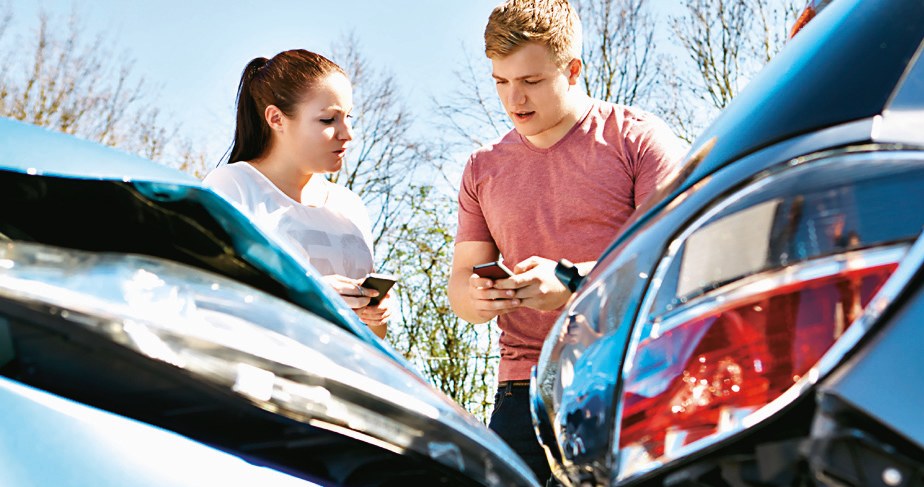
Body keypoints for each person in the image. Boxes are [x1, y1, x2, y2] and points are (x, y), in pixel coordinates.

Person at [447, 0, 687, 482]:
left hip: (628, 376)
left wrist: (575, 283)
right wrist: (479, 296)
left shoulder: (638, 141)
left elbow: (674, 260)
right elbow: (460, 291)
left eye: (531, 81)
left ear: (572, 69)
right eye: (501, 82)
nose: (514, 99)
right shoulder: (481, 169)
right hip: (521, 393)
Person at [203, 49, 392, 339]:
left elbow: (374, 336)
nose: (348, 133)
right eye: (328, 120)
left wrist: (376, 314)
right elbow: (211, 302)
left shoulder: (350, 205)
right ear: (276, 118)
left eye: (348, 117)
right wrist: (312, 296)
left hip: (344, 378)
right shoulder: (232, 186)